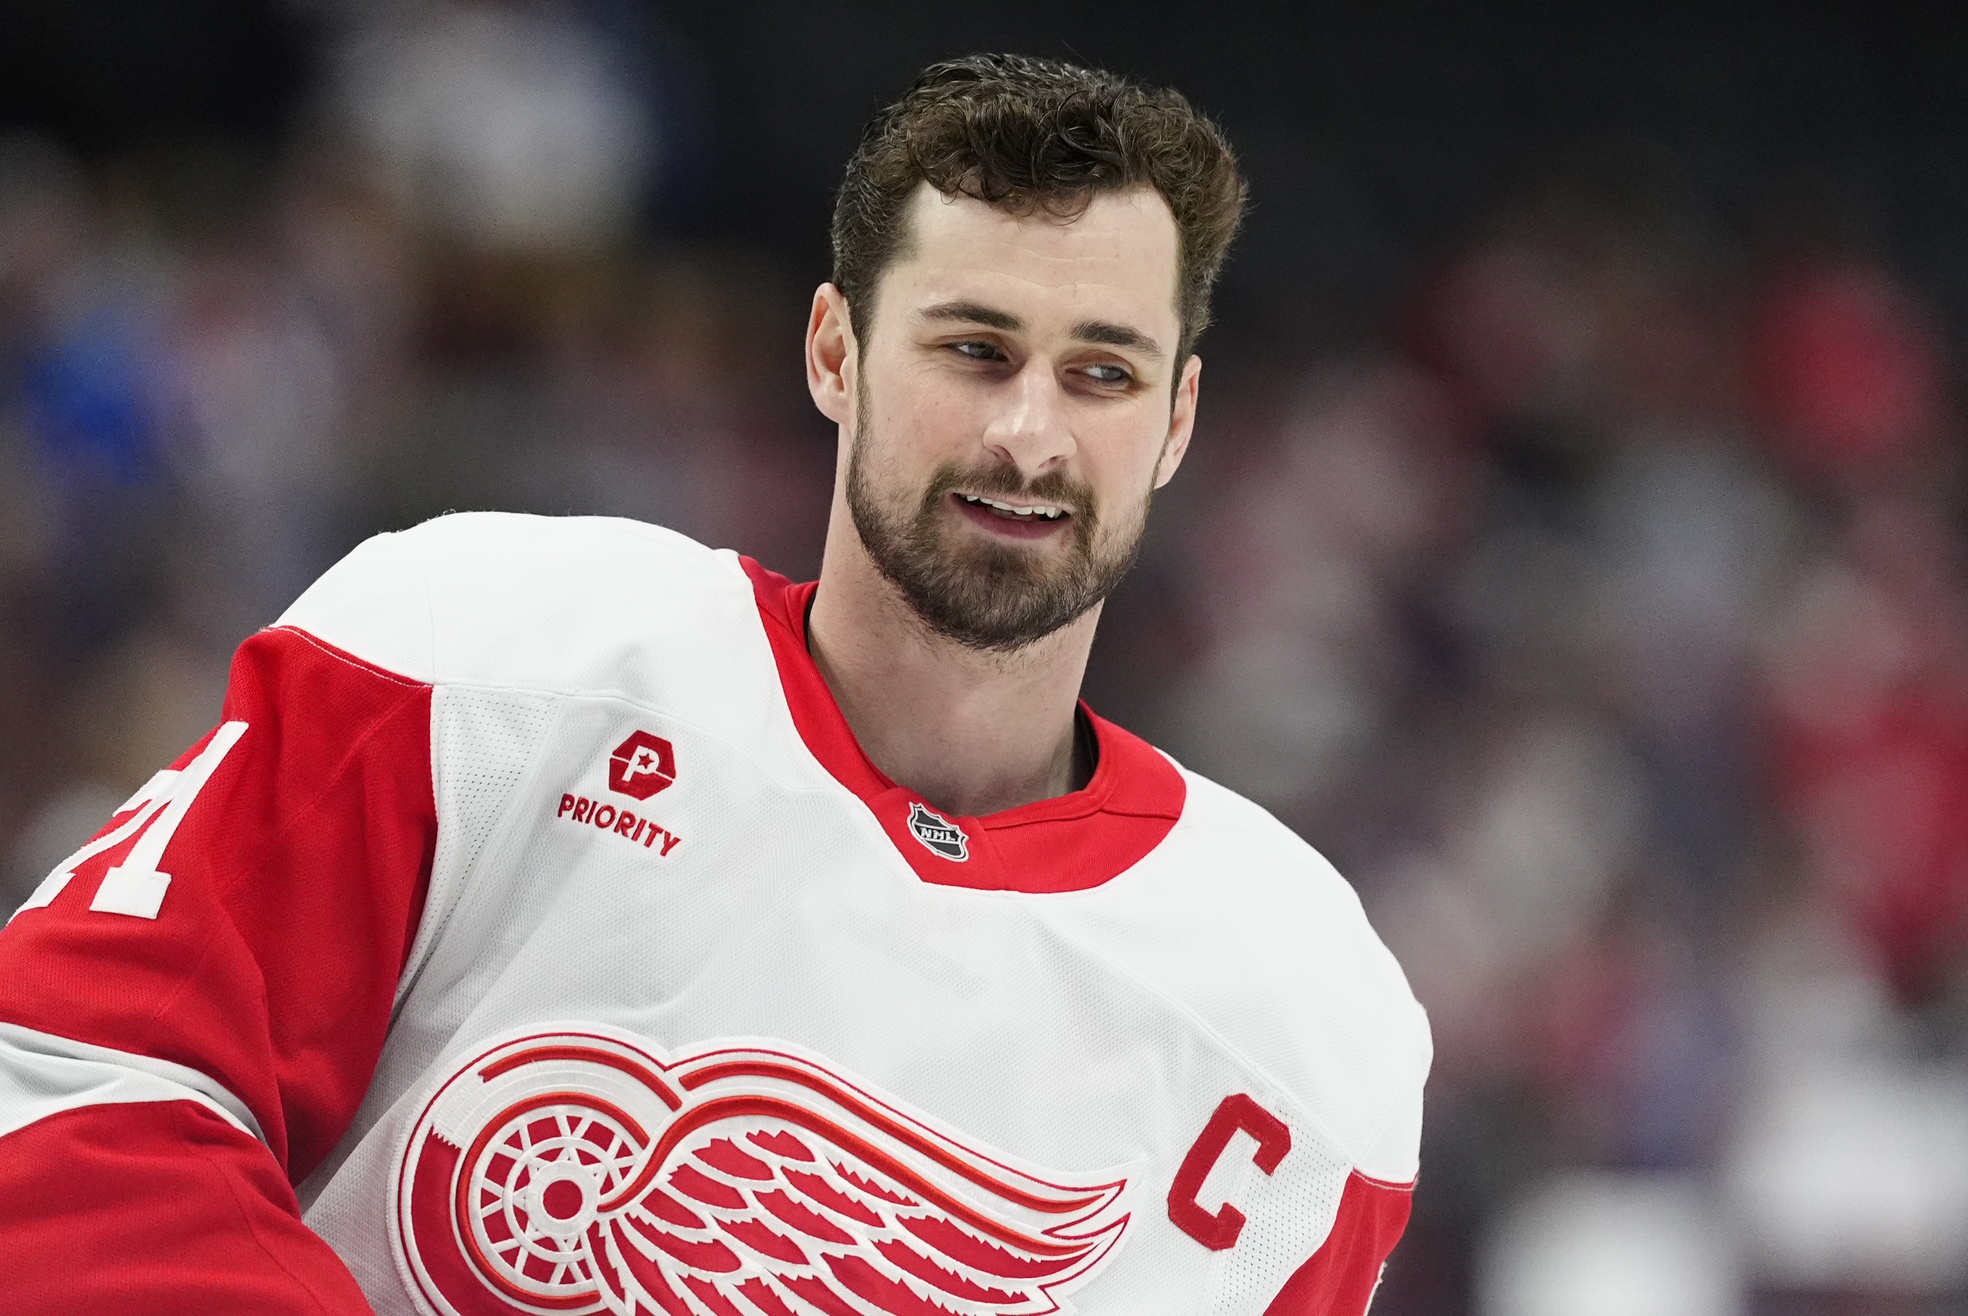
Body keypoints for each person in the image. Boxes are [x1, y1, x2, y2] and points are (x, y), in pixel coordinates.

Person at [0, 54, 1428, 1315]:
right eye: (972, 348)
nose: (1028, 435)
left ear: (1176, 421)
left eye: (1103, 374)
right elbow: (80, 1094)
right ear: (834, 352)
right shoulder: (480, 658)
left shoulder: (1304, 1023)